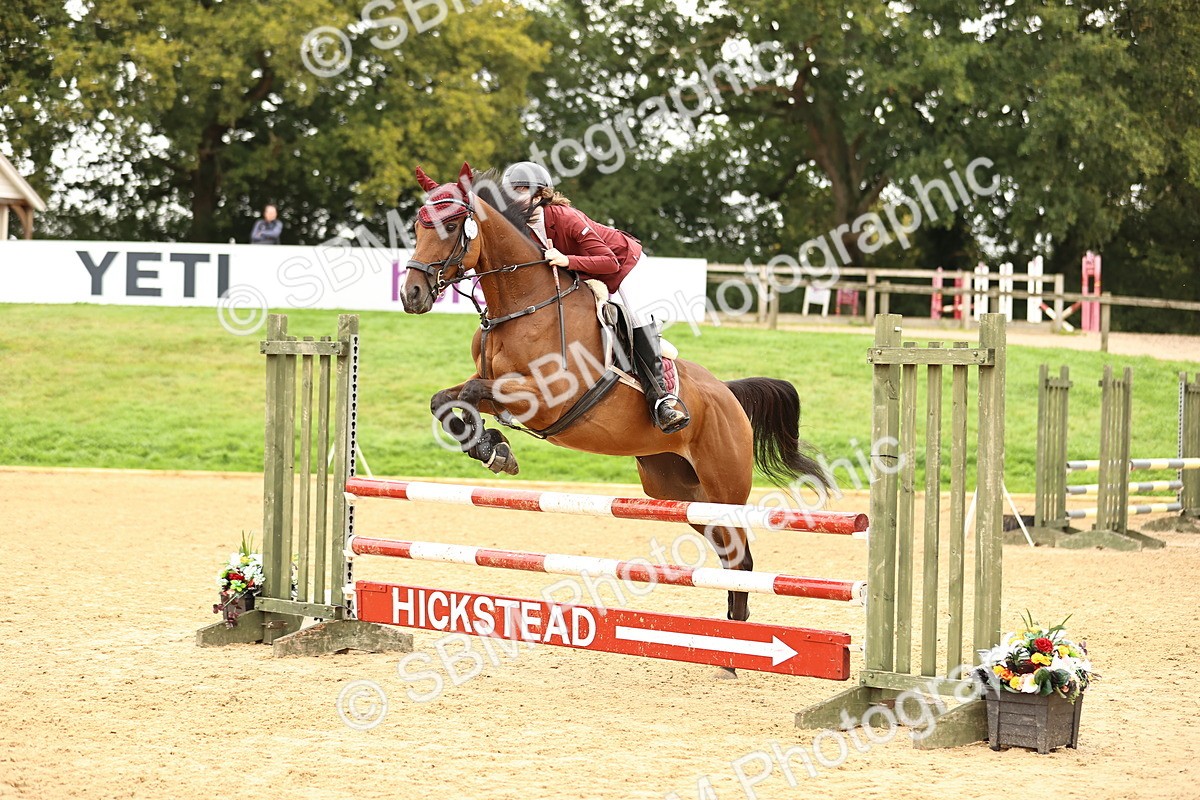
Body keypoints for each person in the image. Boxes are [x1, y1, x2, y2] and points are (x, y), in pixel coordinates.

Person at [501, 162, 690, 434]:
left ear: (539, 195)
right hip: (588, 273)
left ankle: (661, 400)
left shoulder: (565, 217)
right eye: (508, 192)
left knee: (636, 319)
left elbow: (610, 262)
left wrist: (567, 259)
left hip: (626, 266)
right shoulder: (524, 229)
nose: (511, 199)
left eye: (519, 191)